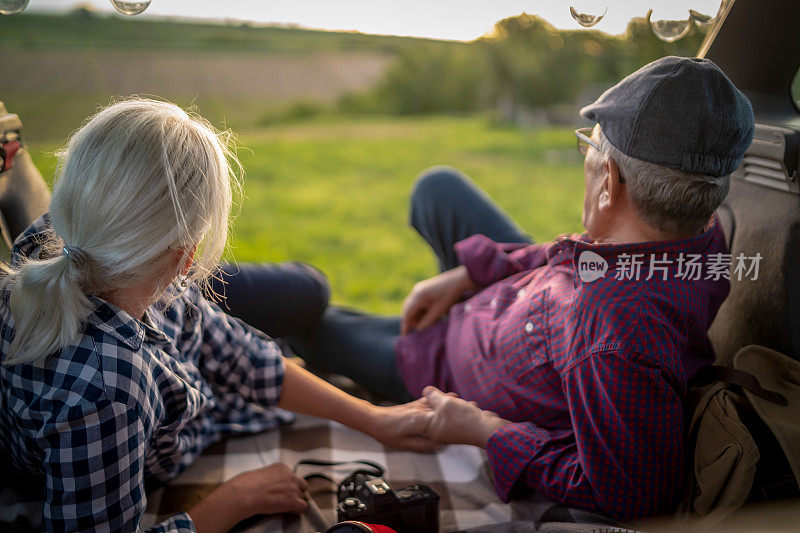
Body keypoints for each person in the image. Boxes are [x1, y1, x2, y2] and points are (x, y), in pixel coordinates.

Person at [289, 56, 756, 521]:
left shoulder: (612, 335)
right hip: (512, 308)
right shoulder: (698, 229)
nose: (585, 160)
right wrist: (474, 272)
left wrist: (484, 430)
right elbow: (574, 254)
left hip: (442, 363)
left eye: (587, 148)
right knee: (437, 189)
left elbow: (631, 493)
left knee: (307, 318)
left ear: (609, 184)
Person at [0, 98, 438, 533]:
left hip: (184, 410)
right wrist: (236, 499)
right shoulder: (109, 389)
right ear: (185, 256)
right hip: (164, 438)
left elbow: (240, 355)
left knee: (292, 335)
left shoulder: (64, 247)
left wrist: (371, 417)